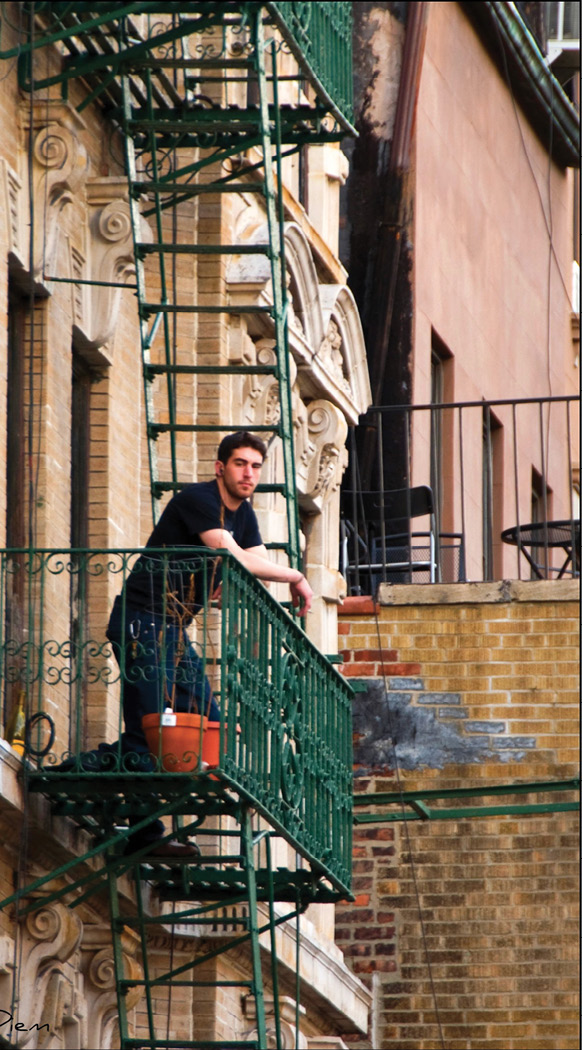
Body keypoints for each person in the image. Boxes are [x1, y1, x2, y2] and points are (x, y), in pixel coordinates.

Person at [99, 432, 313, 855]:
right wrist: (296, 578)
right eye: (239, 463)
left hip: (173, 630)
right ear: (220, 467)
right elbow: (234, 555)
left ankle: (116, 789)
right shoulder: (197, 499)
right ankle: (130, 822)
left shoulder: (244, 514)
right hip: (142, 620)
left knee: (205, 722)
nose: (248, 473)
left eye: (255, 465)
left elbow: (252, 567)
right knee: (151, 727)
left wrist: (225, 584)